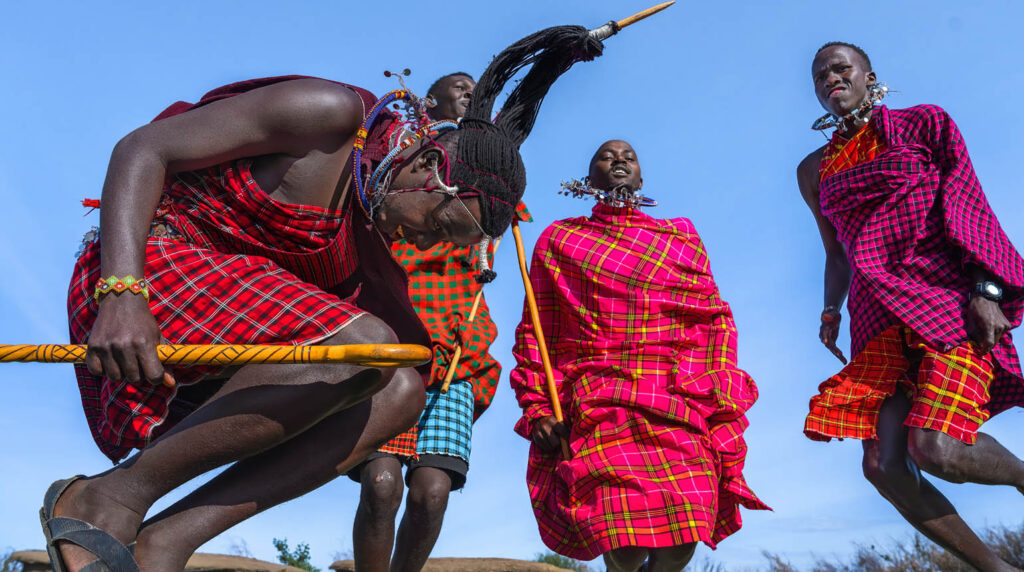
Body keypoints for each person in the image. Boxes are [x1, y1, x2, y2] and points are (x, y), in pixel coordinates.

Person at [44, 25, 607, 571]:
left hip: (222, 320)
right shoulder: (330, 115)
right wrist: (122, 292)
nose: (425, 243)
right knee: (368, 346)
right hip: (147, 277)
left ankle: (167, 540)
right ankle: (108, 500)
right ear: (429, 167)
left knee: (402, 385)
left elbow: (403, 350)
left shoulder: (372, 235)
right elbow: (143, 148)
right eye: (439, 223)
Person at [797, 42, 1024, 572]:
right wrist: (831, 311)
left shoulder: (925, 124)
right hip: (877, 318)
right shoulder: (813, 169)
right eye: (819, 75)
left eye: (840, 67)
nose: (831, 77)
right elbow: (836, 252)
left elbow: (968, 205)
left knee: (936, 450)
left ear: (868, 75)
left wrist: (987, 292)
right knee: (882, 466)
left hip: (944, 301)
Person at [510, 140, 767, 572]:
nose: (618, 161)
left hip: (676, 398)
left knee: (686, 528)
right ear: (588, 179)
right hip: (600, 398)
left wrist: (715, 387)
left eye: (628, 157)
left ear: (642, 178)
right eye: (606, 156)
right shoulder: (561, 240)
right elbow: (538, 333)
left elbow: (714, 317)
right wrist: (537, 408)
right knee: (622, 539)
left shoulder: (679, 237)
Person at [347, 71, 529, 572]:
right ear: (432, 99)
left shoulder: (487, 180)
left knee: (431, 494)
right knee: (380, 485)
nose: (470, 93)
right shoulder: (400, 164)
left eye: (475, 89)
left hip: (456, 349)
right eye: (459, 88)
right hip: (393, 342)